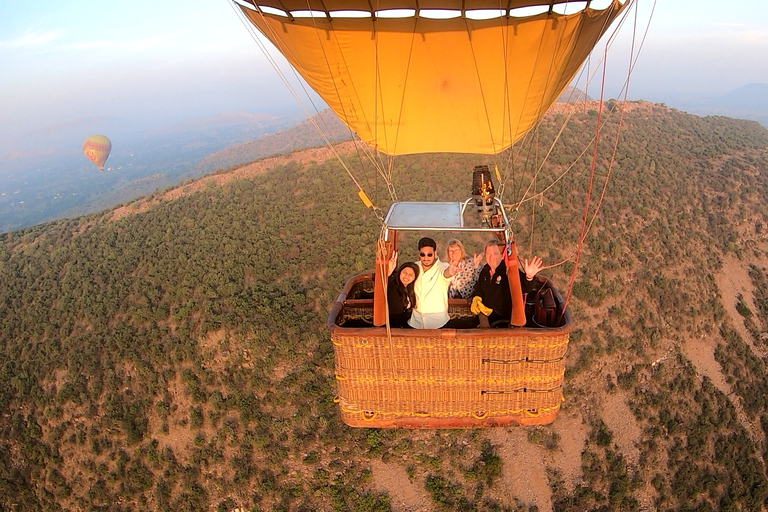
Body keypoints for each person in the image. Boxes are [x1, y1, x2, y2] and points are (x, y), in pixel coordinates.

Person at [472, 241, 543, 328]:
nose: (491, 257)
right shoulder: (485, 271)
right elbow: (479, 289)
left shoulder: (508, 271)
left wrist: (529, 277)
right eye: (488, 254)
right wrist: (477, 298)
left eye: (495, 254)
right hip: (484, 318)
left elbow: (525, 287)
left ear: (501, 256)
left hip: (501, 323)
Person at [409, 237, 459, 329]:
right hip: (416, 322)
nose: (426, 258)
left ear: (435, 253)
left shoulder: (442, 267)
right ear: (419, 254)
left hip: (438, 323)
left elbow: (446, 274)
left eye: (429, 254)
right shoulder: (414, 267)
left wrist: (450, 271)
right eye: (423, 254)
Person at [386, 261, 419, 328]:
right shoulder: (392, 285)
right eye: (404, 273)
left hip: (405, 328)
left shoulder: (411, 290)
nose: (406, 276)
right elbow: (382, 284)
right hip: (392, 327)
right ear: (400, 272)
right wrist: (388, 273)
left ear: (414, 278)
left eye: (410, 275)